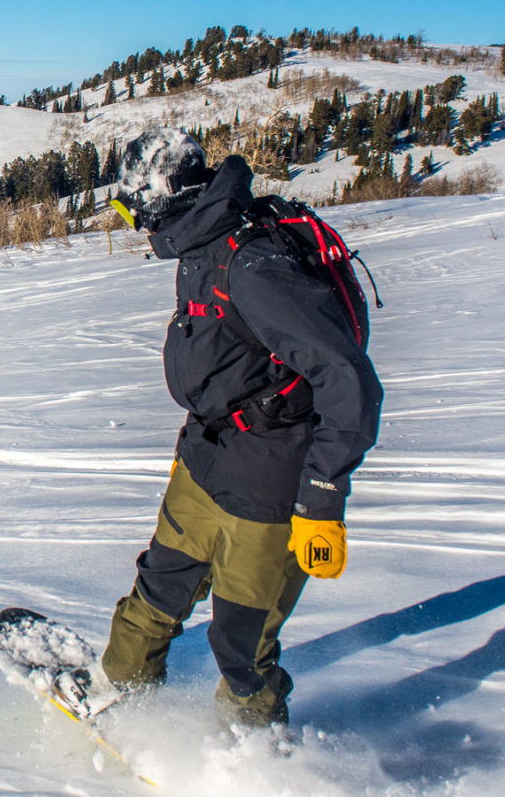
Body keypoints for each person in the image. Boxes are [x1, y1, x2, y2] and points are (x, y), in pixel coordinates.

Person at [92, 128, 384, 726]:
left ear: (165, 194)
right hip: (207, 454)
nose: (133, 222)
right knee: (160, 585)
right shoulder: (201, 245)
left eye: (131, 205)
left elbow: (349, 381)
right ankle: (121, 689)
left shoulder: (251, 264)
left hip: (270, 480)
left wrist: (323, 497)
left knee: (241, 643)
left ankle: (256, 762)